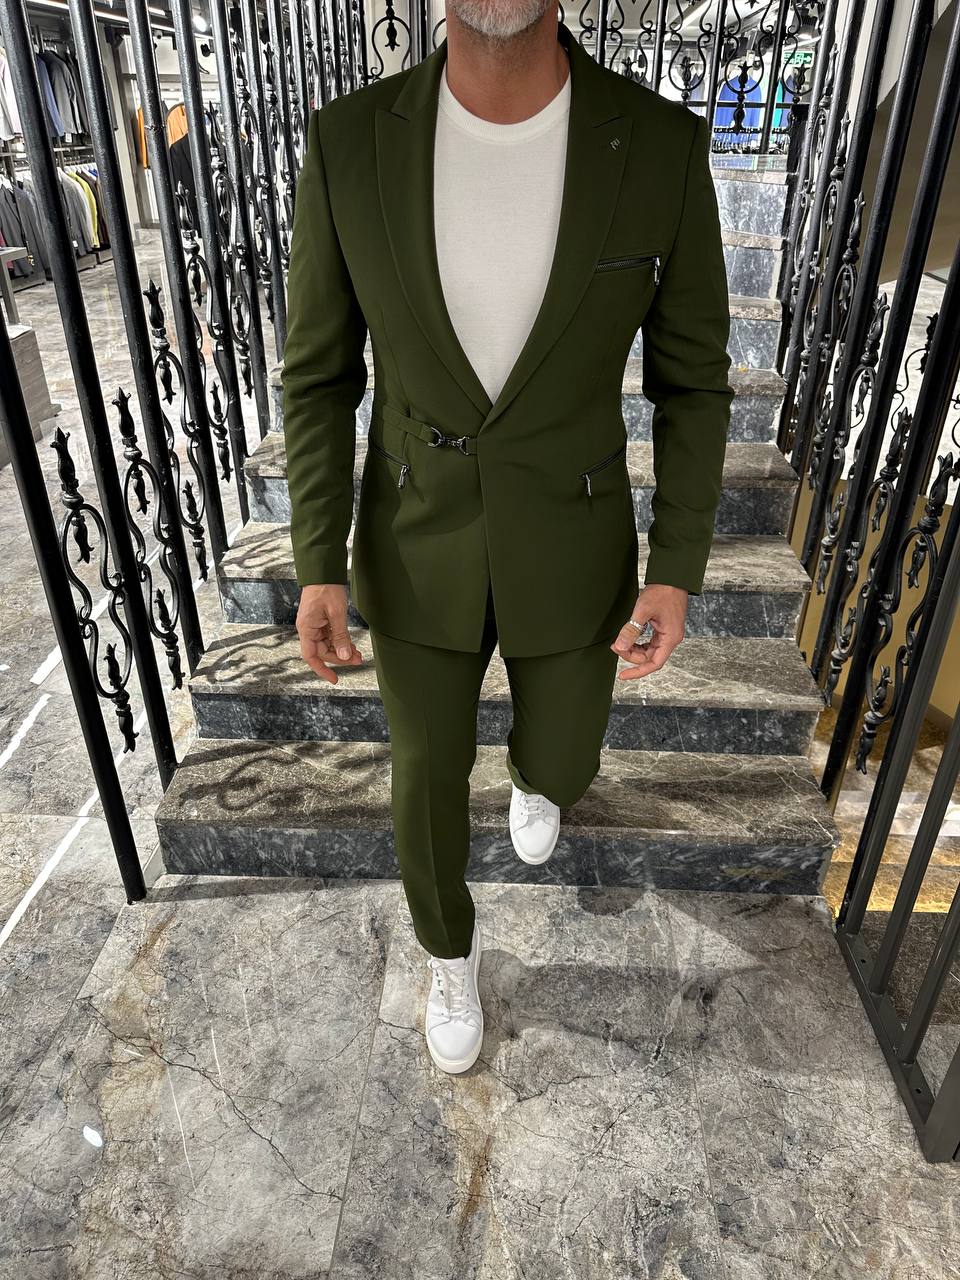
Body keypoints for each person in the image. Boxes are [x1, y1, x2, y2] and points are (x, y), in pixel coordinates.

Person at [281, 3, 733, 1075]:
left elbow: (693, 381)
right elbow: (318, 374)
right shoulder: (349, 142)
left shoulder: (658, 145)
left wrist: (676, 564)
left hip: (572, 529)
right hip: (415, 529)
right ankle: (449, 947)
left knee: (569, 754)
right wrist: (318, 559)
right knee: (424, 779)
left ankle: (538, 772)